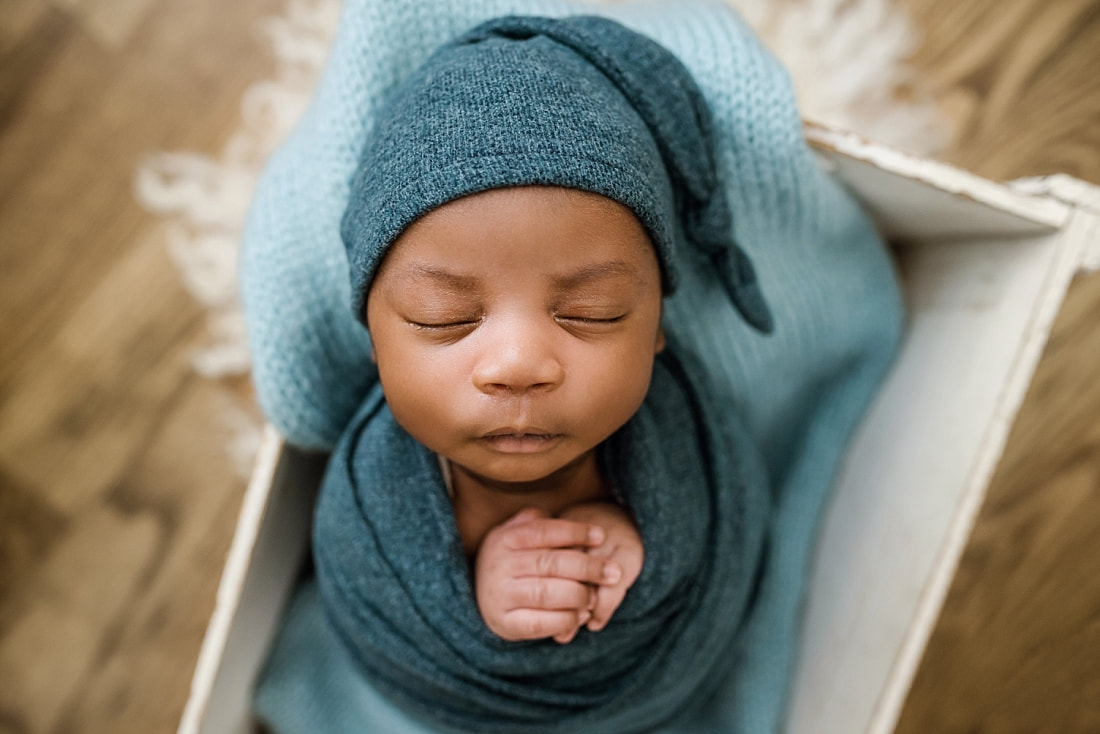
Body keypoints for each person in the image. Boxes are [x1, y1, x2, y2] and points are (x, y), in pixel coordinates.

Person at [247, 6, 903, 734]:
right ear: (372, 340)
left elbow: (721, 524)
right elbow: (376, 608)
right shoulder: (373, 500)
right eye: (443, 319)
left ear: (658, 329)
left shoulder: (687, 434)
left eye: (591, 313)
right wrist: (480, 597)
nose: (519, 365)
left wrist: (624, 546)